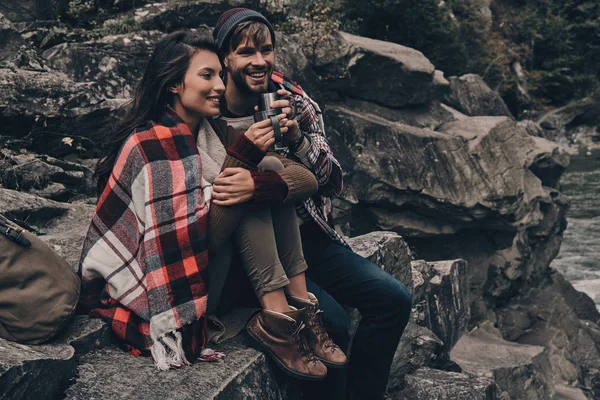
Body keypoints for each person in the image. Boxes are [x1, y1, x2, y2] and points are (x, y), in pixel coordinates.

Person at [78, 30, 343, 378]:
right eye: (207, 75)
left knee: (263, 173)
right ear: (174, 84)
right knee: (245, 185)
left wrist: (257, 176)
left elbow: (306, 179)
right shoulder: (152, 146)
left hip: (217, 270)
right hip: (171, 286)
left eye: (220, 74)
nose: (220, 85)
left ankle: (297, 307)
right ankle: (278, 316)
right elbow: (196, 243)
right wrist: (244, 161)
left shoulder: (208, 131)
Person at [212, 8, 413, 399]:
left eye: (266, 50)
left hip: (308, 238)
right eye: (246, 52)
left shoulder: (292, 99)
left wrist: (299, 140)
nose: (259, 62)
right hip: (250, 248)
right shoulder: (208, 103)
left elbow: (334, 183)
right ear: (226, 58)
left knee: (393, 300)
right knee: (333, 321)